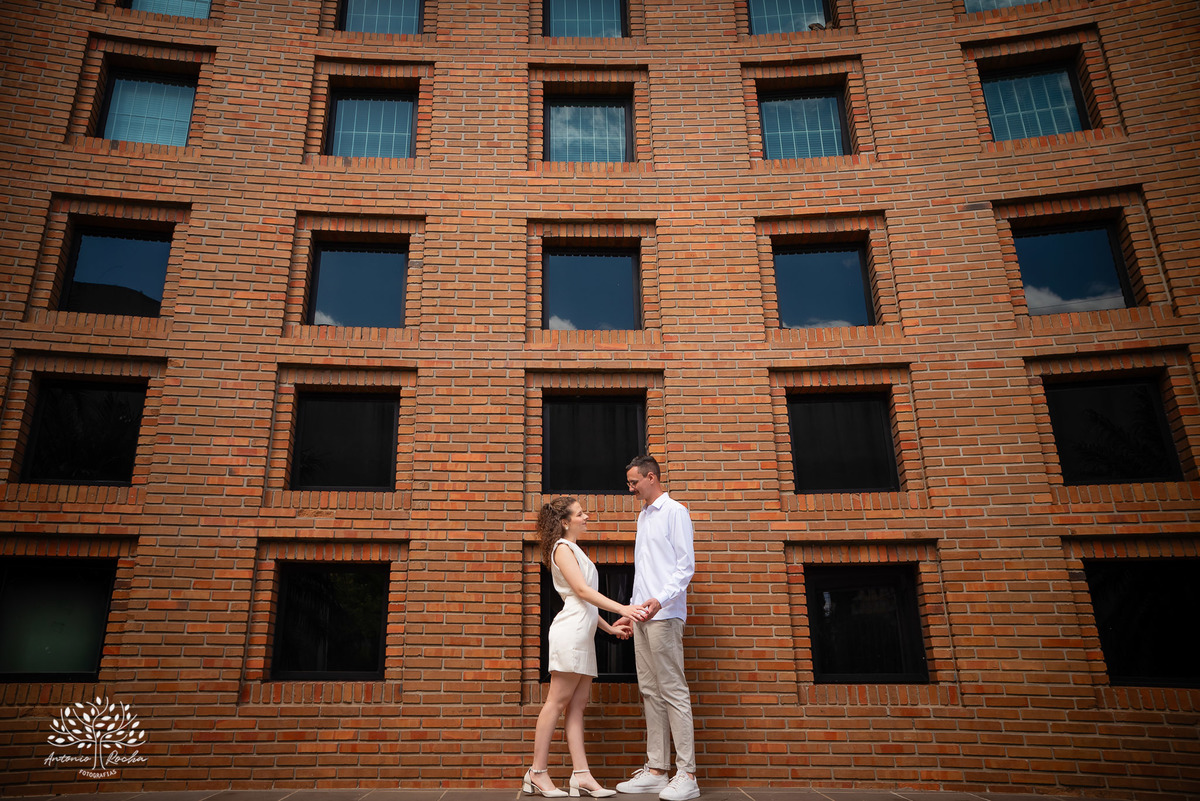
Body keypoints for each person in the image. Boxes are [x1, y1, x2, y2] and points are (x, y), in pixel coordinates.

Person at [524, 496, 649, 798]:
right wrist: (622, 608)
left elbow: (585, 603)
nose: (586, 516)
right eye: (580, 513)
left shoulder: (575, 549)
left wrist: (610, 627)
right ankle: (537, 772)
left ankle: (581, 775)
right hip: (570, 633)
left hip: (583, 634)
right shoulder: (562, 548)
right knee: (556, 702)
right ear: (565, 522)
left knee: (577, 707)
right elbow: (581, 591)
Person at [615, 455, 699, 801]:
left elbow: (685, 567)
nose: (631, 489)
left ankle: (688, 775)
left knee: (673, 691)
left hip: (665, 616)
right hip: (643, 616)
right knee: (650, 691)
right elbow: (645, 571)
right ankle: (656, 771)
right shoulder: (644, 516)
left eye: (634, 482)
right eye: (629, 483)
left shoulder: (675, 512)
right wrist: (632, 610)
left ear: (652, 477)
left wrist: (659, 601)